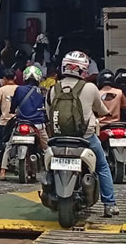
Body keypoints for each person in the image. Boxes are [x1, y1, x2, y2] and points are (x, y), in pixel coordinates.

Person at [45, 51, 119, 216]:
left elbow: (48, 113)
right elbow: (101, 109)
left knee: (48, 168)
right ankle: (109, 204)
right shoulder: (90, 88)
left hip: (58, 139)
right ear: (83, 69)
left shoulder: (52, 89)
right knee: (102, 166)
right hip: (85, 139)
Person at [0, 66, 49, 181]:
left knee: (9, 145)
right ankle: (51, 170)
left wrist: (12, 111)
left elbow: (13, 105)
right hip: (37, 125)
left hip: (21, 122)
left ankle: (3, 171)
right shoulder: (42, 91)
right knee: (47, 149)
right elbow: (46, 107)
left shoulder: (19, 90)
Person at [0, 69, 19, 170]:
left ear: (5, 79)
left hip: (4, 121)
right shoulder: (19, 89)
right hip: (16, 121)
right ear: (14, 77)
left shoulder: (1, 90)